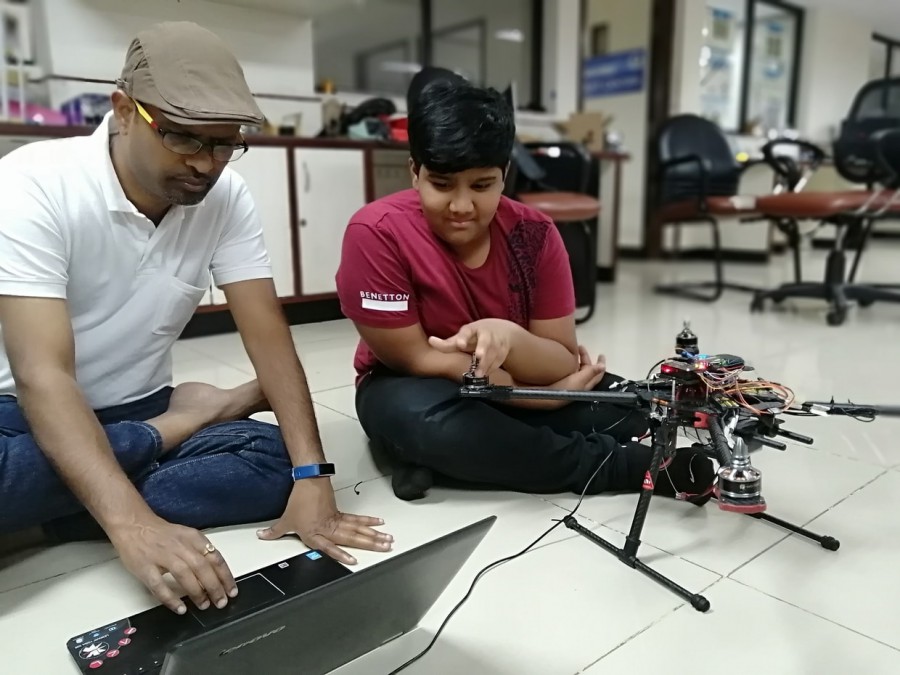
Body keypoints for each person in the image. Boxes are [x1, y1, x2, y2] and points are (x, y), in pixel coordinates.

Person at [0, 21, 391, 617]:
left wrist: (314, 476)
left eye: (224, 143)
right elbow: (42, 376)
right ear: (124, 110)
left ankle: (41, 525)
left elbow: (269, 336)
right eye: (185, 139)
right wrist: (133, 523)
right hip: (20, 417)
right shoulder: (34, 182)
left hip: (140, 401)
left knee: (275, 463)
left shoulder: (225, 197)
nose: (207, 165)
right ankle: (182, 427)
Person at [335, 73, 716, 502]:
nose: (461, 206)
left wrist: (512, 340)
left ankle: (443, 457)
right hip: (409, 383)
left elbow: (557, 360)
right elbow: (417, 356)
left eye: (482, 185)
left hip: (515, 375)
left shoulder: (535, 233)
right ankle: (629, 468)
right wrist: (543, 400)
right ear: (415, 173)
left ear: (505, 176)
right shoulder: (376, 232)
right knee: (429, 424)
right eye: (441, 184)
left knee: (634, 409)